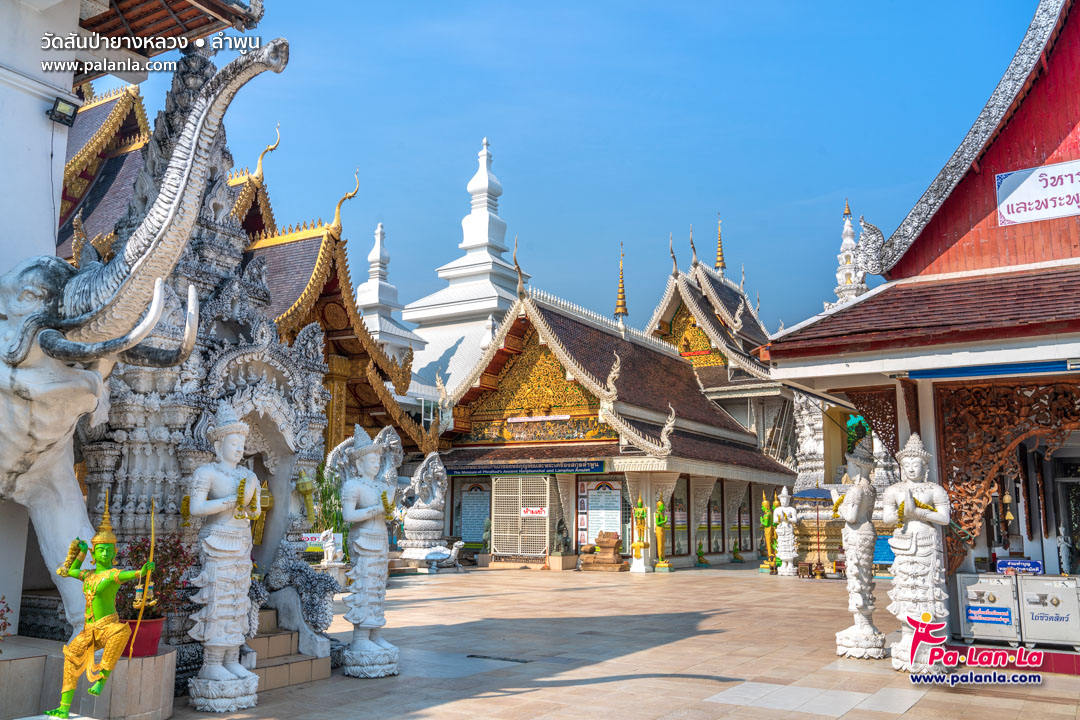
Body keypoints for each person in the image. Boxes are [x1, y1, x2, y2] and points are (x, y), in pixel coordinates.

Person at [47, 500, 153, 718]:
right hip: (89, 630)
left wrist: (140, 572)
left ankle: (101, 680)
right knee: (71, 657)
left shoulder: (112, 575)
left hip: (107, 626)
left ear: (114, 553)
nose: (104, 554)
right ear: (95, 554)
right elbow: (71, 571)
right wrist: (81, 553)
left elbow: (127, 575)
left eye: (108, 550)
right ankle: (63, 708)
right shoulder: (88, 575)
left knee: (121, 632)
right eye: (100, 550)